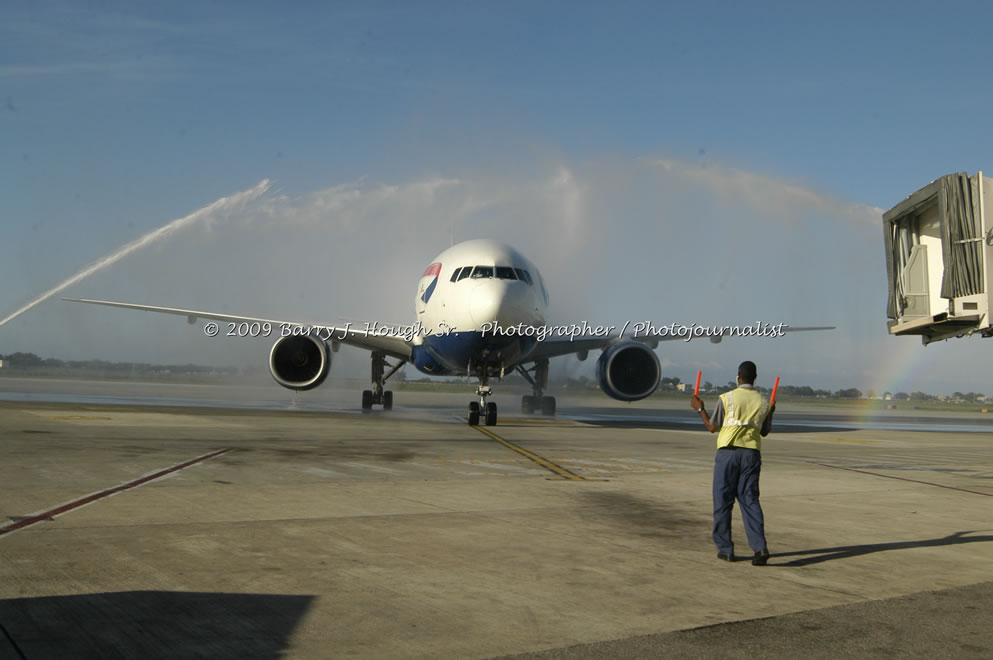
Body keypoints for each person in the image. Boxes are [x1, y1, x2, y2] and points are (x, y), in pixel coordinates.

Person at [690, 361, 775, 566]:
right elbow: (764, 432)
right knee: (750, 500)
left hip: (728, 454)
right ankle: (760, 547)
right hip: (751, 454)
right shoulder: (764, 402)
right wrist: (771, 412)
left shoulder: (727, 398)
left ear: (739, 377)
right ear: (755, 378)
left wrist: (700, 409)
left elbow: (712, 427)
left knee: (723, 501)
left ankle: (726, 549)